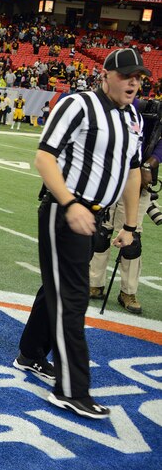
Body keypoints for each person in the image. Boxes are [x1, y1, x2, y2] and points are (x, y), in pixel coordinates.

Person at [13, 48, 146, 419]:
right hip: (65, 212)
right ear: (105, 75)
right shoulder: (79, 104)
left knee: (57, 288)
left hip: (95, 216)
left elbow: (133, 171)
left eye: (138, 76)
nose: (133, 82)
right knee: (72, 298)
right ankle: (72, 390)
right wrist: (71, 204)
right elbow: (44, 156)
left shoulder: (132, 116)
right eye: (126, 75)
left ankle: (30, 353)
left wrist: (130, 225)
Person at [89, 97, 162, 314]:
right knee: (102, 233)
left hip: (139, 182)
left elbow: (159, 148)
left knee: (132, 239)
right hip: (112, 175)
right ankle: (95, 284)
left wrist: (149, 165)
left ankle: (127, 291)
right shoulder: (140, 107)